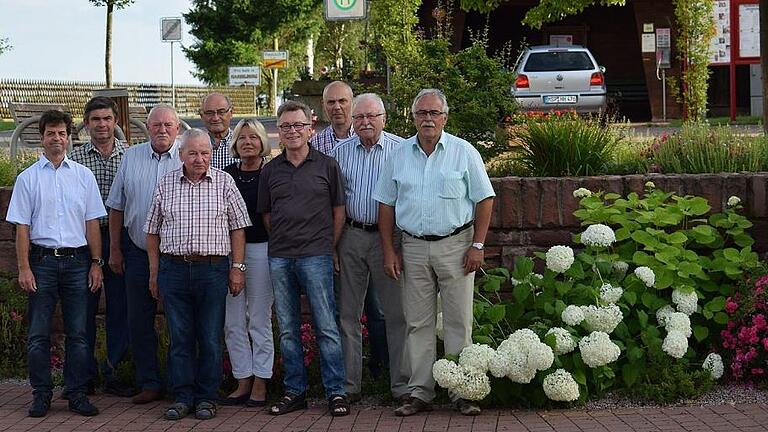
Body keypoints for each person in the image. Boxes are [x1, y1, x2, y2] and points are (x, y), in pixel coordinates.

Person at [373, 89, 496, 417]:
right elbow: (385, 205)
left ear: (445, 117)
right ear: (413, 117)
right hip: (412, 246)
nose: (428, 119)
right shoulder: (399, 155)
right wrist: (389, 251)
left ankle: (462, 391)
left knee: (459, 321)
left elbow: (485, 199)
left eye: (434, 113)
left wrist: (478, 245)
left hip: (457, 246)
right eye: (421, 113)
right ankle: (420, 392)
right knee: (418, 322)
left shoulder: (463, 152)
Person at [145, 128, 251, 421]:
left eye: (205, 153)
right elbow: (152, 232)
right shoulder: (166, 184)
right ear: (181, 155)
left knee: (210, 337)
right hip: (173, 270)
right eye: (192, 153)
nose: (199, 158)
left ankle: (207, 397)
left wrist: (237, 267)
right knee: (179, 337)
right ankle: (182, 397)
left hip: (213, 269)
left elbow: (238, 228)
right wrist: (154, 272)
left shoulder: (224, 182)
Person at [6, 110, 105, 417]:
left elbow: (92, 223)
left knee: (78, 333)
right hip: (42, 263)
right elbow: (21, 227)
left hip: (78, 262)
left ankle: (75, 393)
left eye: (62, 133)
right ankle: (41, 394)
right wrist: (24, 267)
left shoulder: (83, 176)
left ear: (69, 137)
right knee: (38, 334)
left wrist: (96, 263)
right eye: (51, 133)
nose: (57, 138)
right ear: (42, 136)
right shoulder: (28, 179)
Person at [257, 100, 349, 417]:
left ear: (310, 129)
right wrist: (286, 238)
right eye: (286, 126)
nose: (293, 131)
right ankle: (295, 392)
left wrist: (328, 245)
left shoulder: (327, 166)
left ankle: (336, 392)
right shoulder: (270, 171)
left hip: (317, 256)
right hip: (280, 257)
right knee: (287, 328)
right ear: (278, 133)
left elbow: (339, 211)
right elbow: (267, 215)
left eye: (298, 125)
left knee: (326, 326)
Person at [330, 93, 409, 405]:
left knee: (396, 314)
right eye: (359, 117)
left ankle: (401, 386)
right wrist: (333, 245)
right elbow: (333, 202)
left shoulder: (402, 150)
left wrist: (398, 245)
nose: (364, 122)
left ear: (383, 119)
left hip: (389, 239)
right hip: (350, 235)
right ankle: (350, 387)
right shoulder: (340, 152)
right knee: (347, 314)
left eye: (371, 117)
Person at [105, 104, 183, 405]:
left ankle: (179, 384)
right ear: (147, 128)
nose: (162, 130)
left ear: (177, 128)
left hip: (177, 255)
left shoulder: (189, 155)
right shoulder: (131, 156)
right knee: (138, 320)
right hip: (136, 251)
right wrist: (114, 249)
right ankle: (149, 382)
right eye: (156, 125)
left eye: (168, 125)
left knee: (180, 321)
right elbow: (117, 206)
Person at [68, 96, 132, 397]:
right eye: (96, 119)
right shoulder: (75, 160)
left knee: (120, 307)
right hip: (85, 241)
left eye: (107, 118)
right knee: (84, 309)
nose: (102, 124)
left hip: (120, 239)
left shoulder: (130, 156)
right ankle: (85, 374)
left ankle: (115, 371)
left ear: (116, 121)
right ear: (86, 123)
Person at [219, 119, 274, 407]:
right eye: (242, 138)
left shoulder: (273, 172)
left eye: (254, 137)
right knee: (233, 321)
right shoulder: (226, 175)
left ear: (263, 141)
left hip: (263, 250)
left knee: (260, 319)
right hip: (230, 252)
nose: (248, 142)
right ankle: (243, 379)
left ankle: (262, 381)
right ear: (235, 144)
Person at [309, 81, 355, 155]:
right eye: (331, 102)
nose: (337, 107)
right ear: (323, 106)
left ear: (352, 102)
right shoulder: (315, 145)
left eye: (342, 101)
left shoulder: (365, 138)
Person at [199, 92, 238, 169]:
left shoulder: (242, 144)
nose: (215, 118)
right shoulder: (195, 146)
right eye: (210, 113)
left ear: (231, 113)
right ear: (202, 116)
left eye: (221, 112)